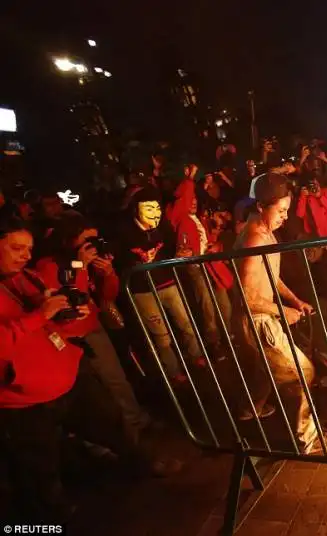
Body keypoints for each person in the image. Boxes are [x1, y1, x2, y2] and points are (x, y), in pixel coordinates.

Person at [0, 215, 161, 522]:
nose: (25, 255)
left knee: (113, 423)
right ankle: (52, 523)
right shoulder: (49, 265)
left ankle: (141, 465)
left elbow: (97, 295)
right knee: (38, 471)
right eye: (17, 248)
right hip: (23, 402)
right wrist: (42, 312)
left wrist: (67, 309)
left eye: (28, 248)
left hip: (67, 375)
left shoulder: (22, 276)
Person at [234, 173, 327, 452]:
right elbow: (247, 297)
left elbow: (271, 276)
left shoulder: (265, 232)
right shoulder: (253, 240)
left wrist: (294, 301)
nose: (285, 216)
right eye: (280, 210)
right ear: (261, 206)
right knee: (302, 372)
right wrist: (283, 311)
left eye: (287, 210)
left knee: (265, 368)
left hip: (263, 317)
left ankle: (251, 410)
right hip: (257, 321)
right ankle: (307, 438)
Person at [115, 187, 203, 380]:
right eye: (148, 208)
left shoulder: (163, 226)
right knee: (161, 335)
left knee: (185, 322)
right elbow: (119, 262)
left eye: (157, 208)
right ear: (136, 209)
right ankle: (173, 372)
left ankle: (196, 356)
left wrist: (178, 255)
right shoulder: (123, 232)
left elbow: (172, 247)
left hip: (167, 282)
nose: (154, 213)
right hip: (142, 290)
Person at [167, 179, 234, 359]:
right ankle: (214, 344)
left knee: (224, 304)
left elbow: (208, 242)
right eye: (190, 199)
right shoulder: (180, 220)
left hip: (209, 265)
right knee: (207, 305)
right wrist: (190, 178)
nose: (194, 202)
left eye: (195, 199)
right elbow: (186, 250)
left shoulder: (199, 219)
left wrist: (217, 245)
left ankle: (227, 337)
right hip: (195, 267)